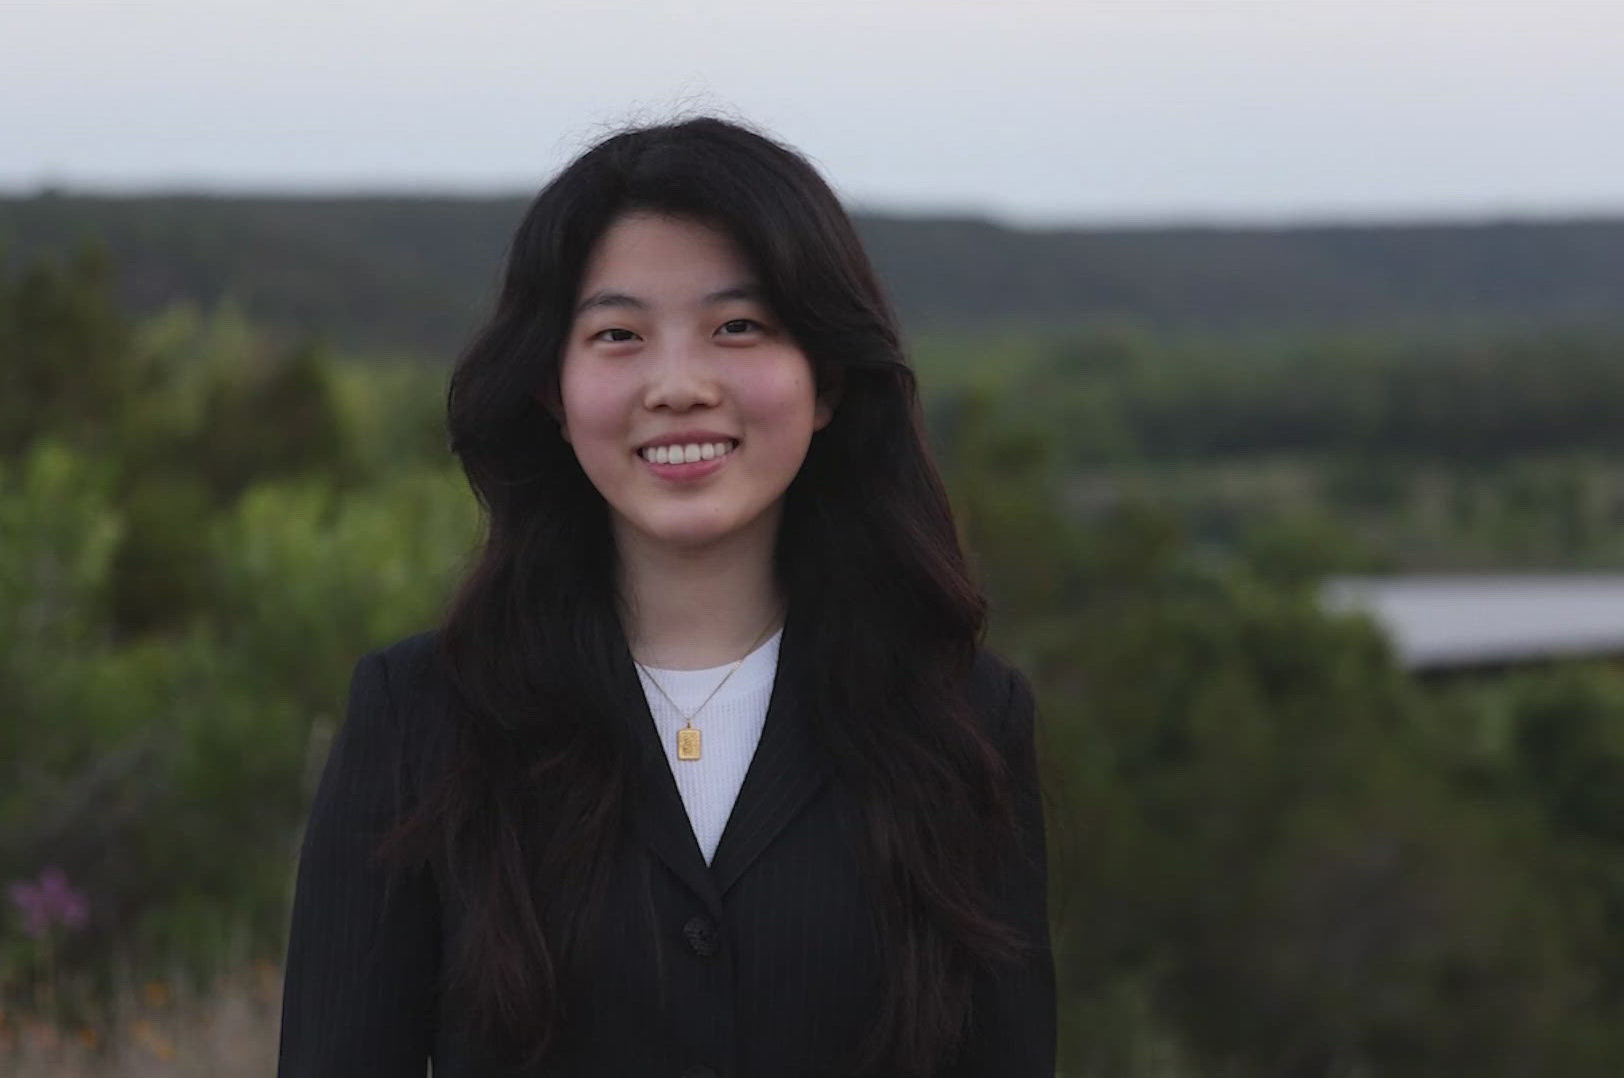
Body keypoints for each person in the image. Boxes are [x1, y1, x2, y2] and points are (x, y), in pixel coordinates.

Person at [277, 114, 1055, 1077]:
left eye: (738, 326)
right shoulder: (419, 719)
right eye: (618, 334)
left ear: (827, 381)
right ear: (552, 395)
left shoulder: (963, 720)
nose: (678, 385)